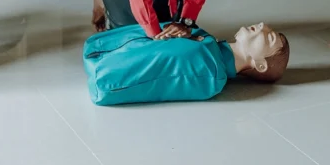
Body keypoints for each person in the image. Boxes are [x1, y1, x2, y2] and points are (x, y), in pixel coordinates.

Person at [84, 22, 290, 105]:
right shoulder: (205, 41)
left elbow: (154, 70)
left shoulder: (211, 74)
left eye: (269, 37)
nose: (262, 25)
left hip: (103, 74)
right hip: (100, 51)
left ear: (260, 64)